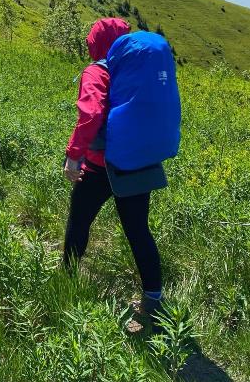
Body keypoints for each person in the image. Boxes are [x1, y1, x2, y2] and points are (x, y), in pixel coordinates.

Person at [62, 17, 180, 333]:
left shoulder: (97, 71)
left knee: (79, 220)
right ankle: (153, 300)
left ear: (95, 43)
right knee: (138, 230)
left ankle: (67, 280)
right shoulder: (133, 67)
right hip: (137, 161)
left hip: (101, 165)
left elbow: (91, 114)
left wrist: (74, 156)